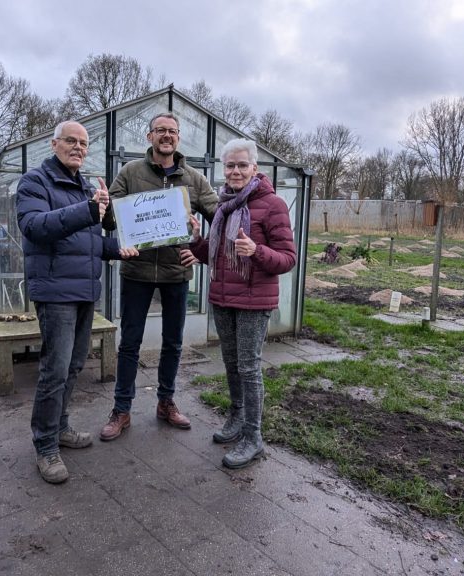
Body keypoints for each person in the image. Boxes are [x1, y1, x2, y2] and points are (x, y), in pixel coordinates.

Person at [16, 120, 137, 484]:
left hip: (84, 291)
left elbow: (88, 243)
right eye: (71, 141)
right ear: (54, 144)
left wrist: (118, 249)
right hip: (55, 294)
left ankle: (62, 427)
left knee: (72, 367)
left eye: (84, 143)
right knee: (54, 370)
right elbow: (36, 227)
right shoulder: (35, 182)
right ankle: (46, 445)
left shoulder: (84, 186)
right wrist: (89, 209)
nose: (79, 148)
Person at [98, 112, 218, 441]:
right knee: (130, 343)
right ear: (149, 136)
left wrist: (199, 243)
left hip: (176, 271)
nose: (167, 135)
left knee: (173, 343)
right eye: (160, 130)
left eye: (172, 131)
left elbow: (219, 216)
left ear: (178, 138)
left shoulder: (193, 179)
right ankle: (122, 409)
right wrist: (106, 203)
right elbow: (109, 222)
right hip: (137, 271)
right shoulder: (130, 172)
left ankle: (166, 402)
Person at [188, 138, 296, 469]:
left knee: (249, 366)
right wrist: (196, 240)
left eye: (242, 165)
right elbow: (217, 255)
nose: (235, 171)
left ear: (255, 169)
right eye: (230, 166)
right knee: (232, 363)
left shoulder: (272, 204)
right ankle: (236, 418)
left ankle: (254, 437)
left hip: (254, 300)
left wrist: (257, 252)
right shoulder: (224, 206)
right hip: (222, 297)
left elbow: (288, 258)